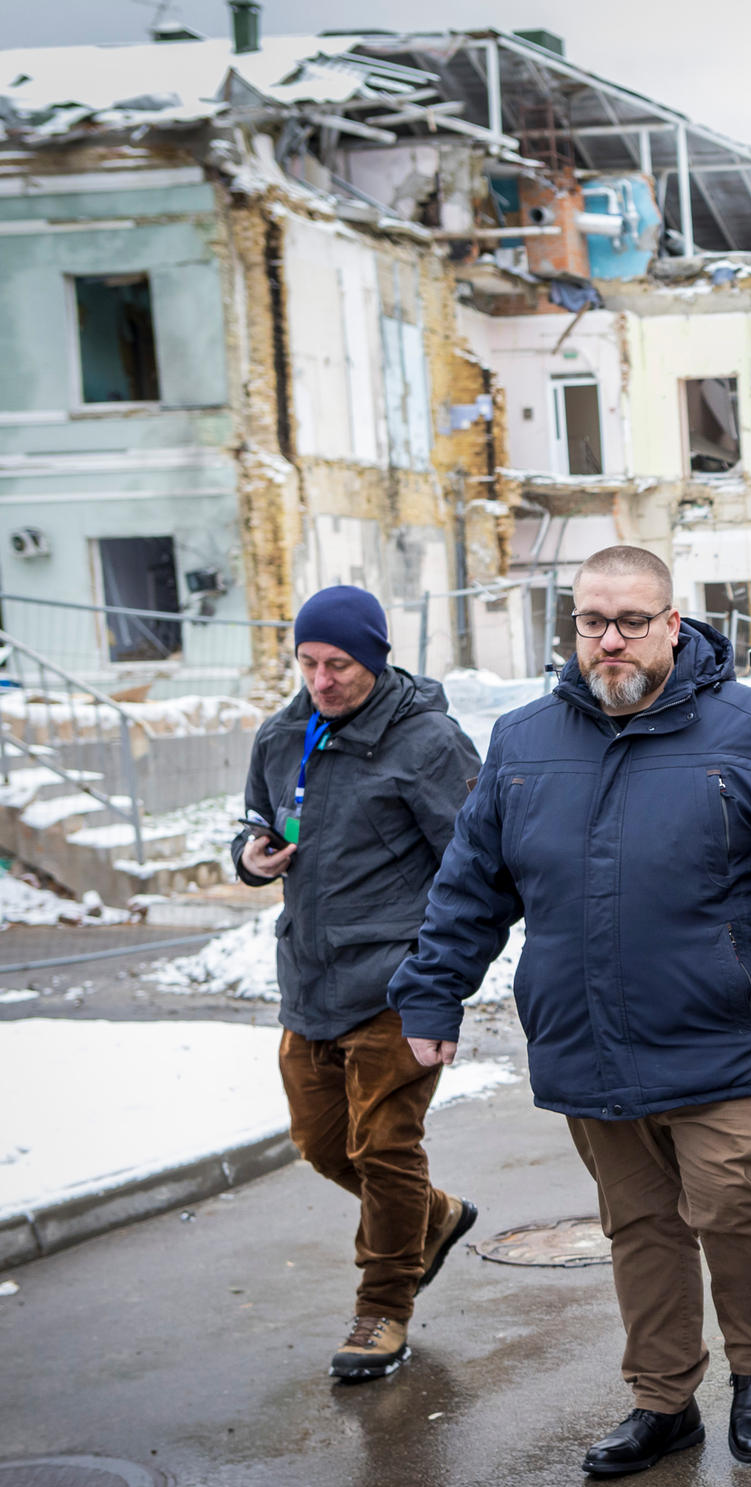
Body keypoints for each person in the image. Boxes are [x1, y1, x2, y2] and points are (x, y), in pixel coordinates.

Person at [390, 545, 751, 1477]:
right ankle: (663, 1400)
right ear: (573, 629)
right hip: (590, 1036)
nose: (609, 640)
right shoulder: (525, 741)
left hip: (723, 1026)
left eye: (630, 622)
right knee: (639, 1225)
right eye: (591, 623)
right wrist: (433, 987)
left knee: (736, 1204)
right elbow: (469, 887)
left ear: (671, 623)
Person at [233, 584, 481, 1383]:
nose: (321, 680)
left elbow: (479, 863)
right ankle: (432, 1216)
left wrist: (442, 972)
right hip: (308, 978)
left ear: (372, 658)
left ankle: (383, 1307)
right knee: (320, 1142)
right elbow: (252, 818)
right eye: (307, 662)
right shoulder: (282, 734)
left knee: (383, 1147)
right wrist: (249, 854)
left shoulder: (429, 743)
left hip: (397, 981)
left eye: (338, 663)